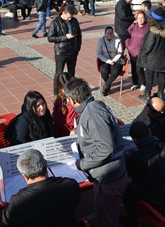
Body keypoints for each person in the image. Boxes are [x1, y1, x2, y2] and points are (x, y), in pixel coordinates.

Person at [65, 77, 128, 227]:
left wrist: (83, 164)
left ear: (73, 100)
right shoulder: (94, 107)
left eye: (68, 100)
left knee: (107, 220)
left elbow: (105, 148)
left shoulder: (92, 113)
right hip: (110, 174)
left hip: (109, 179)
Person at [122, 122, 165, 227]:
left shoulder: (137, 157)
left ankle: (132, 222)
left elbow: (125, 166)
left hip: (160, 207)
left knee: (126, 189)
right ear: (150, 132)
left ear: (135, 141)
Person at [2, 149, 80, 227]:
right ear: (46, 165)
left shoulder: (18, 201)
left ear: (25, 175)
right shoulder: (70, 185)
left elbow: (7, 221)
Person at [137, 7, 165, 100]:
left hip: (152, 57)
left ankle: (147, 94)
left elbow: (148, 45)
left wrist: (143, 55)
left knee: (149, 76)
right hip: (162, 56)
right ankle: (160, 93)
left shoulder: (153, 30)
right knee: (161, 75)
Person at [48, 5, 82, 95]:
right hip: (61, 52)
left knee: (71, 73)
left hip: (73, 51)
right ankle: (56, 93)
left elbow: (79, 34)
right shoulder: (55, 22)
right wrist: (64, 37)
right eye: (68, 17)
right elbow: (50, 38)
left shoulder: (74, 21)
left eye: (71, 17)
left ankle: (70, 91)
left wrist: (78, 47)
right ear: (63, 13)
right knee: (59, 73)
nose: (69, 19)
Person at [96, 26, 123, 96]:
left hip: (116, 59)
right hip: (104, 59)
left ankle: (106, 86)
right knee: (104, 70)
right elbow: (99, 53)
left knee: (115, 71)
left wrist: (114, 60)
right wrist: (107, 60)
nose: (109, 35)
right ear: (105, 33)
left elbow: (120, 52)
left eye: (111, 33)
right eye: (107, 33)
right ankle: (108, 86)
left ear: (113, 33)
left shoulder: (118, 40)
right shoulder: (100, 40)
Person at [126, 11, 148, 92]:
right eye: (139, 18)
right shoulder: (133, 25)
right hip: (132, 51)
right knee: (133, 68)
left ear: (145, 18)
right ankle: (135, 82)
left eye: (142, 18)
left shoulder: (147, 27)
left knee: (139, 68)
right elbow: (127, 35)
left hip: (141, 52)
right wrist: (128, 45)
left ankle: (143, 83)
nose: (140, 20)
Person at [52, 72, 78, 137]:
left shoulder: (78, 98)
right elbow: (55, 111)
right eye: (64, 89)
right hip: (61, 131)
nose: (67, 91)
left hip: (73, 132)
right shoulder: (59, 97)